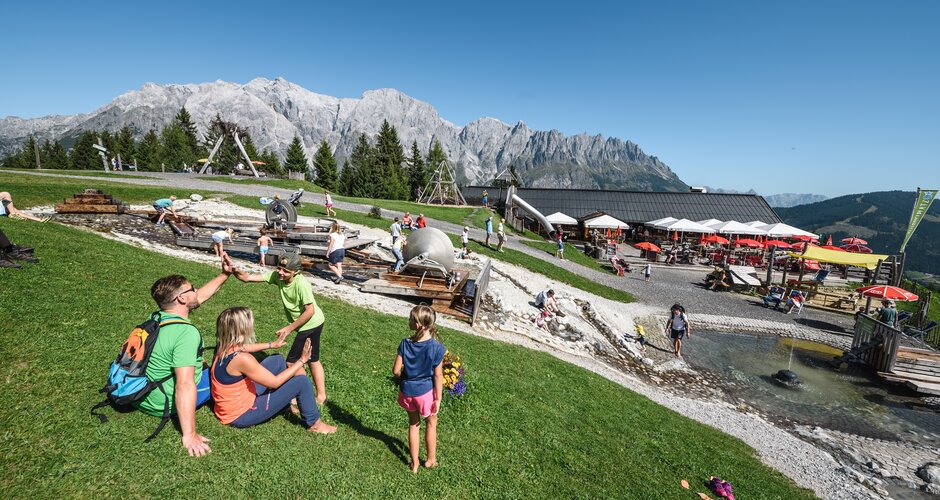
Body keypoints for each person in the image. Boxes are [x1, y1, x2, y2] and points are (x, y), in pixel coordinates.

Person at [137, 258, 234, 457]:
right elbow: (184, 384)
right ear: (181, 299)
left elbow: (200, 297)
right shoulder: (186, 333)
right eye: (192, 289)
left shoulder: (156, 318)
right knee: (229, 368)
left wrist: (225, 275)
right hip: (161, 402)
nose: (196, 292)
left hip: (142, 395)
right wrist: (189, 434)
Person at [210, 307, 336, 434]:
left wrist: (272, 345)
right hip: (243, 414)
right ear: (242, 329)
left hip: (231, 406)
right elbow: (274, 382)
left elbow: (244, 347)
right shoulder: (242, 359)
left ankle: (283, 406)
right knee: (302, 382)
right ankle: (315, 424)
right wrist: (302, 361)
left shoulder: (223, 347)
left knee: (277, 360)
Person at [229, 254, 329, 405]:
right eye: (279, 268)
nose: (281, 273)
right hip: (306, 324)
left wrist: (289, 328)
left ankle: (305, 393)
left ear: (295, 272)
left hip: (311, 324)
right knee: (313, 359)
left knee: (292, 362)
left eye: (286, 271)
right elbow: (247, 278)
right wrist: (234, 269)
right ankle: (320, 397)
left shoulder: (301, 284)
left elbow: (310, 311)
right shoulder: (278, 276)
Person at [392, 304, 445, 473]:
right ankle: (430, 460)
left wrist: (406, 377)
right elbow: (438, 376)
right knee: (431, 423)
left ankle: (414, 464)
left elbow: (395, 371)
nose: (408, 321)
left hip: (407, 391)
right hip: (425, 394)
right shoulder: (436, 348)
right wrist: (438, 398)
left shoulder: (405, 343)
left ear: (419, 325)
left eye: (410, 319)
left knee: (413, 424)